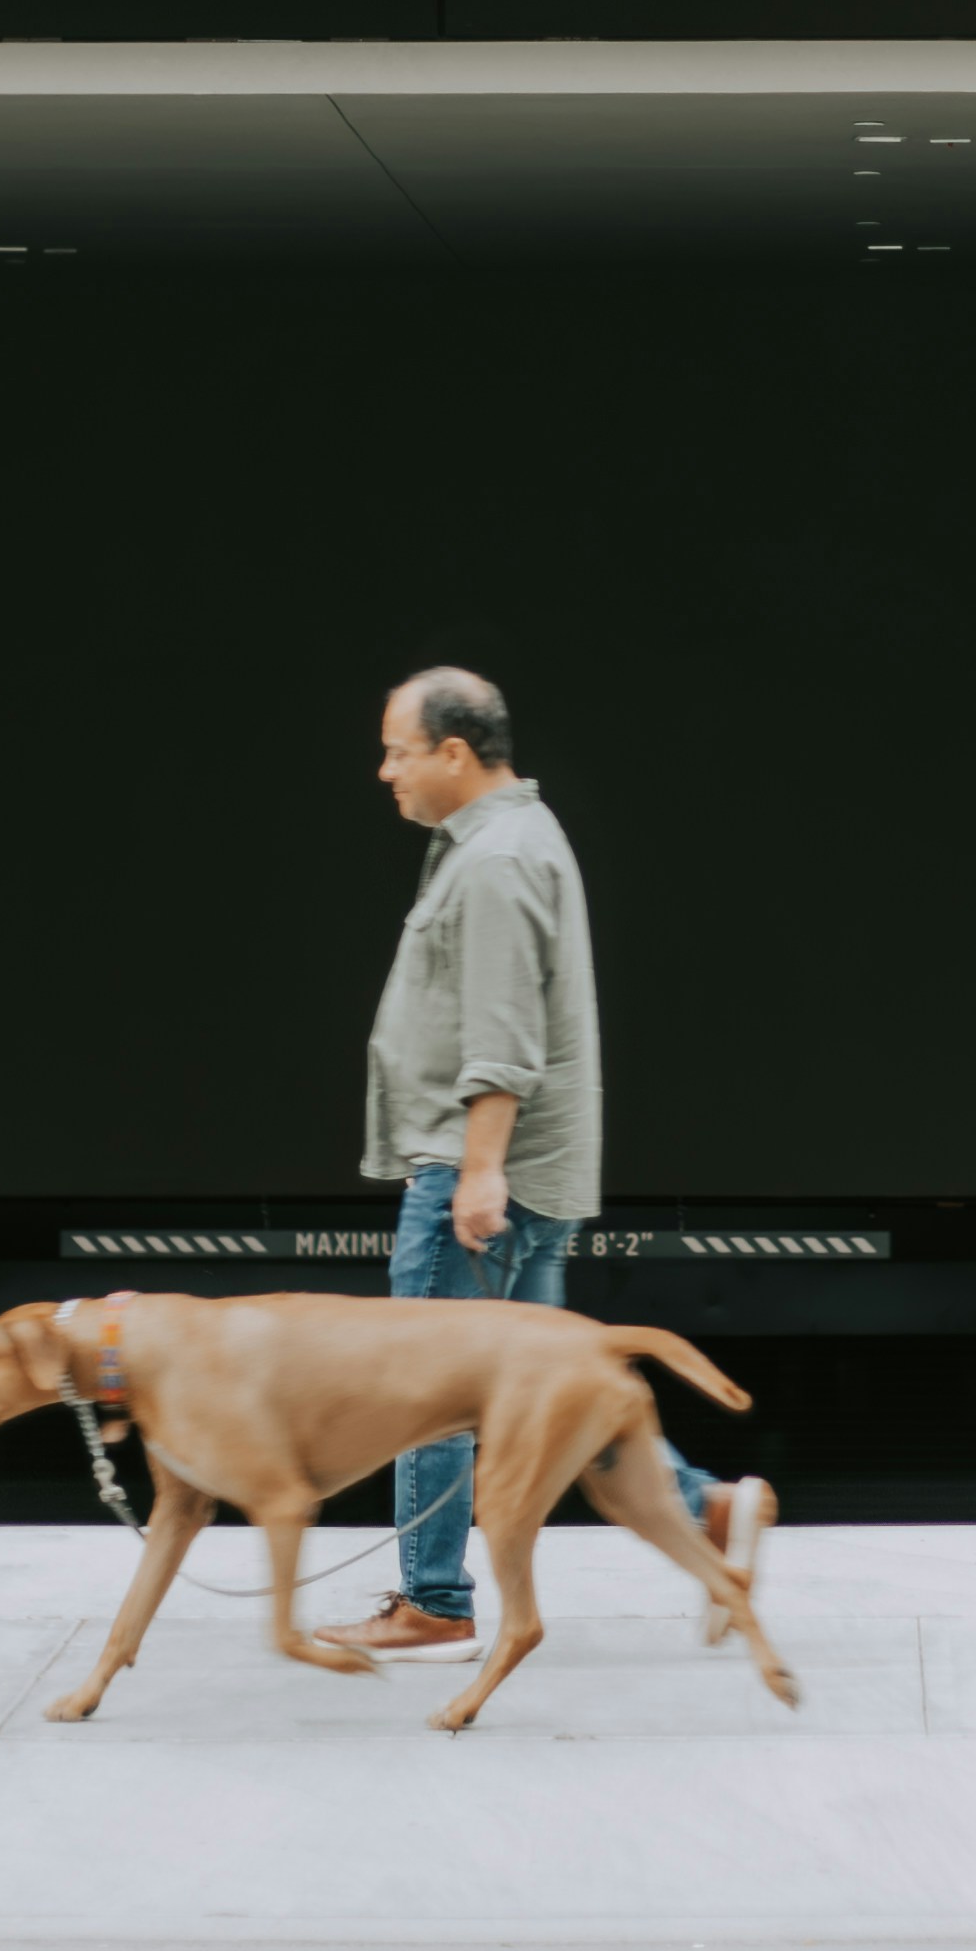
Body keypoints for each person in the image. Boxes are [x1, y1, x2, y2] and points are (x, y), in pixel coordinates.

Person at [324, 663, 777, 1660]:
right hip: (521, 1176)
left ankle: (432, 1598)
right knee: (557, 1387)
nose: (383, 771)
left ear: (452, 750)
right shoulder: (513, 838)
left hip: (488, 1182)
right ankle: (706, 1509)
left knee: (427, 1389)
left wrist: (475, 1173)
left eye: (397, 750)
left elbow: (500, 1038)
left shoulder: (492, 862)